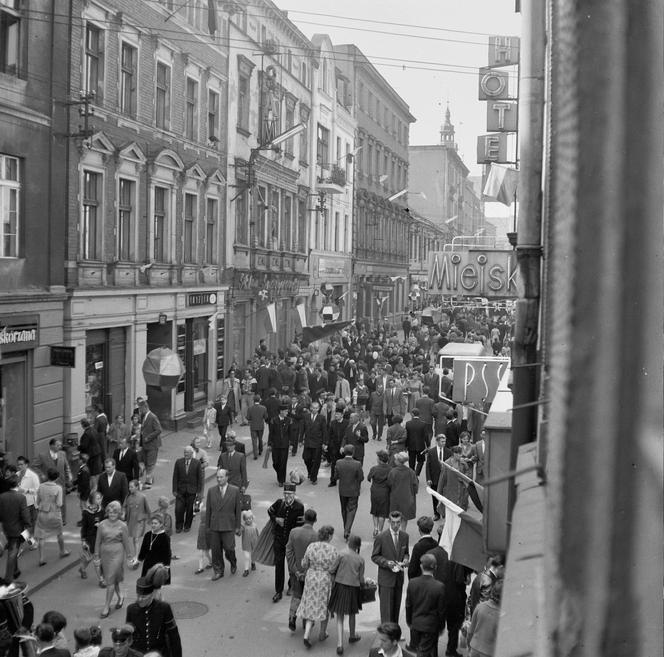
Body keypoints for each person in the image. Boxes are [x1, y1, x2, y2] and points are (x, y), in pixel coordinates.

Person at [299, 525, 340, 649]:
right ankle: (322, 633)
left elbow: (304, 564)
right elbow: (334, 568)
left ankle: (306, 635)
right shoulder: (333, 550)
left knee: (311, 605)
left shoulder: (311, 546)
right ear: (329, 536)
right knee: (324, 606)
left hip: (311, 578)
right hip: (324, 579)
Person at [94, 500, 135, 618]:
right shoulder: (102, 524)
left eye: (115, 512)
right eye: (110, 512)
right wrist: (96, 555)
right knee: (112, 578)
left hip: (117, 553)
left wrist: (130, 558)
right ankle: (121, 596)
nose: (112, 514)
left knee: (110, 580)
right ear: (107, 512)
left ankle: (106, 606)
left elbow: (126, 543)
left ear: (118, 514)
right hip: (104, 553)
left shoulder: (123, 526)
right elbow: (98, 541)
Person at [125, 577, 182, 657]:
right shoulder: (131, 609)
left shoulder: (164, 608)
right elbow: (128, 638)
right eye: (138, 596)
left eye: (144, 597)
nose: (140, 599)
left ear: (152, 595)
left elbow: (174, 636)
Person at [328, 534, 365, 655]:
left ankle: (340, 644)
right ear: (358, 546)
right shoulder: (360, 559)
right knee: (352, 613)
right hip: (353, 589)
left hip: (340, 586)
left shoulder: (341, 554)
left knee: (340, 615)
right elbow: (361, 579)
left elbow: (332, 569)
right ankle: (352, 635)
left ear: (349, 543)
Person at [267, 483, 304, 602]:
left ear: (294, 494)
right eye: (286, 493)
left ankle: (291, 585)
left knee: (291, 565)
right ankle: (278, 591)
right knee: (279, 565)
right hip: (278, 539)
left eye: (290, 494)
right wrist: (276, 519)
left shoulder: (299, 507)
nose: (287, 496)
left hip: (291, 542)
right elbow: (270, 511)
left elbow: (300, 525)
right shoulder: (279, 503)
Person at [372, 510, 410, 624]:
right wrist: (386, 563)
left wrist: (406, 559)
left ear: (401, 522)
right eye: (393, 522)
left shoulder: (404, 536)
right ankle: (386, 637)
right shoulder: (381, 537)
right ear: (389, 521)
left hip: (398, 579)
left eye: (398, 522)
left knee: (396, 611)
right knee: (386, 613)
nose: (395, 525)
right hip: (386, 580)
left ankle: (394, 635)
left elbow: (406, 552)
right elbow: (374, 556)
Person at [405, 554, 446, 657]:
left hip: (416, 623)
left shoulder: (412, 583)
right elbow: (441, 610)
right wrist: (441, 627)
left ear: (421, 566)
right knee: (425, 651)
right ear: (435, 567)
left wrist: (409, 621)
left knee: (423, 649)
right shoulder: (439, 586)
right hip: (431, 626)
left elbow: (408, 605)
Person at [205, 468, 241, 580]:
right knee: (216, 550)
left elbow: (238, 510)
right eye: (217, 477)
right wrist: (207, 526)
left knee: (229, 548)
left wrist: (238, 526)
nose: (219, 479)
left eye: (221, 477)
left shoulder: (235, 490)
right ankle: (218, 570)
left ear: (227, 477)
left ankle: (233, 561)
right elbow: (208, 511)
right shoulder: (211, 491)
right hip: (215, 525)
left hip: (228, 524)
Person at [285, 508, 318, 632]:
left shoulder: (294, 532)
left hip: (296, 571)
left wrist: (294, 569)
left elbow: (289, 551)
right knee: (308, 596)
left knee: (296, 595)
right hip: (309, 573)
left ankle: (292, 616)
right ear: (315, 520)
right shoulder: (316, 536)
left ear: (304, 518)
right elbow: (315, 557)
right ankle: (306, 622)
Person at [35, 468, 70, 566]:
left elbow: (37, 501)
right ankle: (62, 551)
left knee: (41, 536)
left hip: (42, 513)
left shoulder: (41, 486)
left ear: (47, 476)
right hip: (55, 514)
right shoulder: (58, 488)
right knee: (59, 533)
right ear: (57, 477)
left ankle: (41, 558)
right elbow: (59, 503)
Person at [0, 473, 31, 581]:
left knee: (12, 549)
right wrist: (28, 526)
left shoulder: (2, 497)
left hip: (5, 528)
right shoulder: (21, 497)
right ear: (18, 483)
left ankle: (16, 570)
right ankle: (8, 579)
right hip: (17, 529)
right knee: (12, 553)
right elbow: (25, 514)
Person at [33, 438, 72, 525]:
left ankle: (62, 520)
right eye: (58, 445)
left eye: (60, 445)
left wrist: (68, 477)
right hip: (48, 482)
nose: (60, 447)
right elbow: (35, 466)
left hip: (60, 482)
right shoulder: (42, 455)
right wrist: (42, 475)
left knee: (61, 502)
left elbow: (66, 466)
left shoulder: (62, 454)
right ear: (51, 446)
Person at [335, 445, 364, 540]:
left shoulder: (339, 462)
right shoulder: (357, 464)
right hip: (353, 490)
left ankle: (345, 527)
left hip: (343, 490)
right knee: (351, 510)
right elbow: (361, 478)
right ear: (353, 452)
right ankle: (347, 530)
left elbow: (336, 476)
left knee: (343, 509)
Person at [172, 446, 204, 533]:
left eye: (187, 452)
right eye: (185, 452)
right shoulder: (178, 462)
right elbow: (175, 477)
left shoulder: (197, 463)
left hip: (192, 491)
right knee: (178, 509)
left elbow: (200, 478)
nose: (185, 454)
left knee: (190, 510)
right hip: (180, 491)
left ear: (191, 453)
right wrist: (174, 490)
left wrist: (199, 492)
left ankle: (187, 525)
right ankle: (179, 526)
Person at [467, 579, 502, 657]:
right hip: (490, 652)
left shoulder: (480, 607)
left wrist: (469, 646)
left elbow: (470, 631)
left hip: (474, 648)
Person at [137, 513, 171, 590]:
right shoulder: (148, 535)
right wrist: (139, 560)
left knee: (157, 587)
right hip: (148, 564)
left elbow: (167, 553)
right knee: (147, 586)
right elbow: (143, 549)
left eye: (155, 523)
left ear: (161, 524)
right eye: (152, 523)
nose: (153, 525)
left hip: (158, 566)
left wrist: (166, 566)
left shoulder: (165, 537)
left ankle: (158, 601)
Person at [387, 452, 419, 531]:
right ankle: (403, 531)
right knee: (404, 517)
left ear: (398, 461)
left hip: (395, 498)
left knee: (395, 516)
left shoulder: (393, 472)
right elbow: (415, 485)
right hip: (407, 498)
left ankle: (394, 531)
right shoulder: (411, 472)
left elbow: (389, 484)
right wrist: (413, 493)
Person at [79, 491, 105, 585]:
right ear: (92, 500)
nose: (100, 500)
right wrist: (83, 540)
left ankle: (82, 569)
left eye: (100, 498)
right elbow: (84, 527)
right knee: (94, 559)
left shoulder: (101, 510)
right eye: (98, 498)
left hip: (101, 538)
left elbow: (105, 522)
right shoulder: (86, 513)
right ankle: (101, 580)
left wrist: (101, 525)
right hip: (91, 539)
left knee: (91, 558)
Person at [426, 435, 451, 520]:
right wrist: (428, 478)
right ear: (437, 441)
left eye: (444, 441)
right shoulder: (431, 452)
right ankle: (436, 514)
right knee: (435, 497)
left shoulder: (448, 451)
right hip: (434, 478)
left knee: (444, 496)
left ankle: (443, 512)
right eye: (442, 441)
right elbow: (428, 466)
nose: (444, 443)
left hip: (445, 479)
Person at [122, 480, 151, 556]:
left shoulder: (142, 497)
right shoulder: (128, 496)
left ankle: (136, 555)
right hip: (131, 520)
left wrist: (150, 519)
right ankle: (136, 553)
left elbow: (148, 509)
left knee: (136, 538)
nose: (129, 488)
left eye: (131, 487)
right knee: (133, 538)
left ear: (137, 487)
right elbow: (124, 506)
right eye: (129, 487)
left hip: (139, 521)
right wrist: (123, 514)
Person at [367, 450, 391, 538]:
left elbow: (368, 478)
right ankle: (380, 531)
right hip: (385, 492)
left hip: (374, 491)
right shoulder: (390, 469)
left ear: (380, 459)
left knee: (375, 511)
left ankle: (375, 528)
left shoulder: (374, 469)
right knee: (382, 513)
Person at [302, 401, 326, 485]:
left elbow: (324, 431)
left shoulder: (321, 418)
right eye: (313, 408)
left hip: (317, 442)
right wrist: (300, 440)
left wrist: (324, 443)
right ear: (310, 408)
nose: (314, 409)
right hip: (308, 441)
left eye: (316, 408)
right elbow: (302, 428)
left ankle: (314, 477)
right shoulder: (306, 416)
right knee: (306, 458)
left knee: (316, 460)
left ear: (319, 409)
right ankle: (310, 471)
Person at [139, 401, 162, 489]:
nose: (140, 411)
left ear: (145, 407)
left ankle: (148, 482)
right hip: (145, 445)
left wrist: (148, 437)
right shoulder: (144, 416)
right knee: (145, 462)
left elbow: (159, 430)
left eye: (140, 409)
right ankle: (151, 478)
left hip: (152, 445)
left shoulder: (153, 417)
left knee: (150, 463)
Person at [407, 516, 439, 581]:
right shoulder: (436, 544)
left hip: (420, 580)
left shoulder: (418, 547)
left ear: (419, 529)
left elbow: (412, 569)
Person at [268, 404, 291, 487]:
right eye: (285, 411)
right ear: (281, 411)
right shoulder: (273, 420)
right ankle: (279, 474)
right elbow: (271, 433)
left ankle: (282, 480)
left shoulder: (289, 420)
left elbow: (291, 433)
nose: (287, 413)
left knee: (283, 463)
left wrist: (291, 444)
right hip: (275, 445)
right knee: (275, 463)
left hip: (285, 445)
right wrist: (269, 444)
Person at [16, 455, 40, 532]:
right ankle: (28, 541)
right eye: (18, 464)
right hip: (19, 503)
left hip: (30, 504)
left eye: (21, 464)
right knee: (22, 524)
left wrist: (25, 490)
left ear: (26, 465)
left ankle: (33, 541)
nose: (19, 466)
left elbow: (37, 490)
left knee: (30, 524)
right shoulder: (16, 475)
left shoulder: (33, 476)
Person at [325, 407, 348, 487]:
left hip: (343, 447)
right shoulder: (333, 423)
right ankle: (333, 480)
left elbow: (346, 436)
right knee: (334, 464)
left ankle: (344, 480)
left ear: (342, 415)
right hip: (334, 447)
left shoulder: (347, 423)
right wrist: (327, 444)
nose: (336, 415)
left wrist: (344, 446)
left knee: (344, 464)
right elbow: (329, 434)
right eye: (336, 414)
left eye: (338, 414)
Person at [79, 418, 105, 484]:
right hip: (97, 452)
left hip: (91, 455)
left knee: (92, 473)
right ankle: (97, 485)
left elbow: (84, 446)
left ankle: (94, 487)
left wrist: (78, 447)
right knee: (97, 472)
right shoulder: (94, 430)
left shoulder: (86, 434)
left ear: (82, 425)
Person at [405, 409, 428, 476]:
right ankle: (416, 474)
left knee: (411, 461)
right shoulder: (423, 424)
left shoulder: (408, 423)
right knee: (421, 461)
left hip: (411, 446)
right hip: (421, 446)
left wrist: (406, 446)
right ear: (419, 414)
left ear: (412, 414)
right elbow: (426, 436)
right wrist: (428, 445)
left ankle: (412, 474)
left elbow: (407, 435)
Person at [239, 509, 259, 577]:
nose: (249, 520)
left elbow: (257, 533)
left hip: (254, 543)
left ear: (252, 518)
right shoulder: (243, 526)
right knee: (247, 557)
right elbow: (239, 532)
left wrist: (259, 541)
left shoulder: (255, 525)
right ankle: (246, 570)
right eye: (247, 519)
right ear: (244, 519)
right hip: (246, 544)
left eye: (250, 518)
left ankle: (253, 563)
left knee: (253, 555)